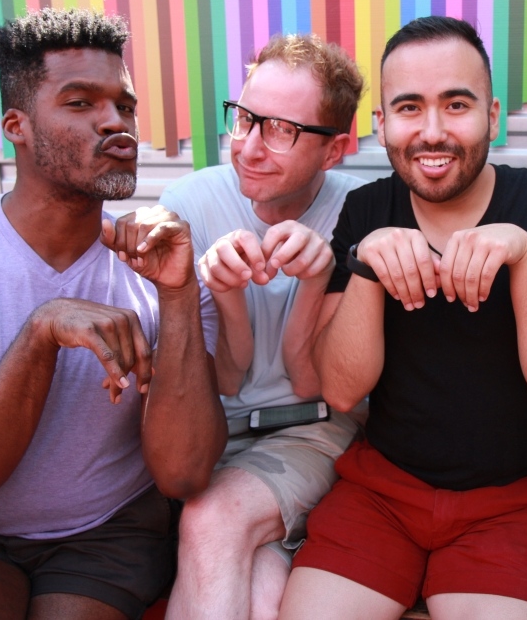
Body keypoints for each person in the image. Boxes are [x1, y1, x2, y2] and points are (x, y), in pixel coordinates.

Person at [0, 8, 227, 620]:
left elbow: (184, 476)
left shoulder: (166, 265)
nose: (115, 122)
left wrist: (179, 295)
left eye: (124, 106)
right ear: (16, 126)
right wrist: (41, 332)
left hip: (112, 528)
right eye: (80, 103)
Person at [277, 16, 527, 620]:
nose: (432, 132)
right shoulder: (366, 209)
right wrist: (368, 265)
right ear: (382, 123)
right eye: (409, 107)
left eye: (456, 104)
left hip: (510, 503)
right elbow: (342, 390)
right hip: (378, 492)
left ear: (492, 114)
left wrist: (524, 259)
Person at [158, 34, 366, 620]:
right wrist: (224, 295)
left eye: (281, 130)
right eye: (245, 118)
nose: (249, 147)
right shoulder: (189, 203)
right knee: (264, 597)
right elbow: (224, 379)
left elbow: (315, 386)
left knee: (211, 519)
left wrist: (317, 280)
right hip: (215, 437)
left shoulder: (361, 212)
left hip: (316, 431)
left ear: (333, 150)